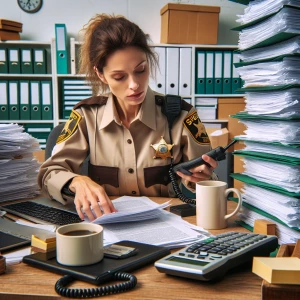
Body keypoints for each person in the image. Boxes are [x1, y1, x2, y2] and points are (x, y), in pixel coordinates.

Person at [38, 14, 218, 221]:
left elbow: (207, 178)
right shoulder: (86, 116)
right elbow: (48, 174)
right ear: (101, 75)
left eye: (140, 70)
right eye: (119, 77)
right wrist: (77, 182)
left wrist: (202, 178)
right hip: (106, 226)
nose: (134, 84)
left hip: (166, 226)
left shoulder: (183, 115)